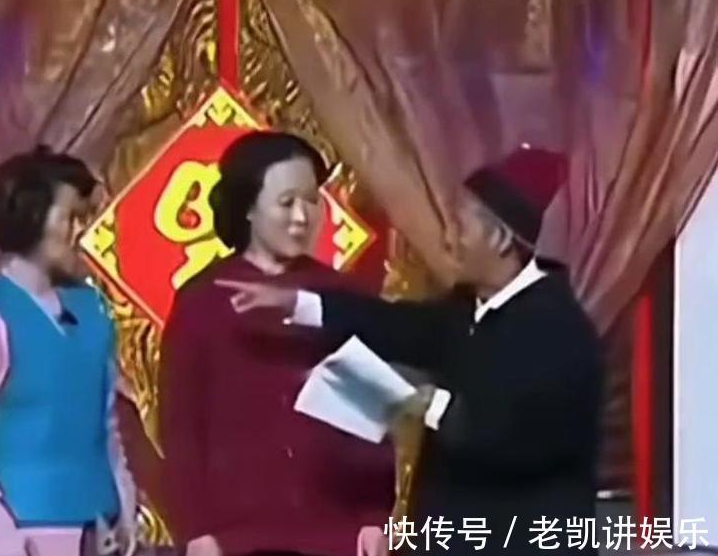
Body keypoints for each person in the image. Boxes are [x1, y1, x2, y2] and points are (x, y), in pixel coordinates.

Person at [218, 148, 602, 556]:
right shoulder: (467, 306)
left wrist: (430, 405)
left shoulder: (559, 331)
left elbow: (515, 439)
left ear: (500, 238)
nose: (448, 239)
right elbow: (399, 325)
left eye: (460, 225)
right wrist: (298, 303)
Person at [159, 131, 395, 556]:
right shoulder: (202, 300)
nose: (302, 217)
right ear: (249, 207)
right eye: (286, 203)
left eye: (312, 201)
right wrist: (195, 530)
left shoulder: (343, 298)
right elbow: (182, 429)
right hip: (236, 537)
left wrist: (375, 517)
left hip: (335, 533)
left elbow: (369, 416)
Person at [0, 147, 138, 556]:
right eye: (70, 218)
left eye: (84, 217)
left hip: (100, 531)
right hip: (29, 533)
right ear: (33, 217)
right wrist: (6, 540)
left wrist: (126, 507)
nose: (80, 230)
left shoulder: (92, 309)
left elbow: (107, 425)